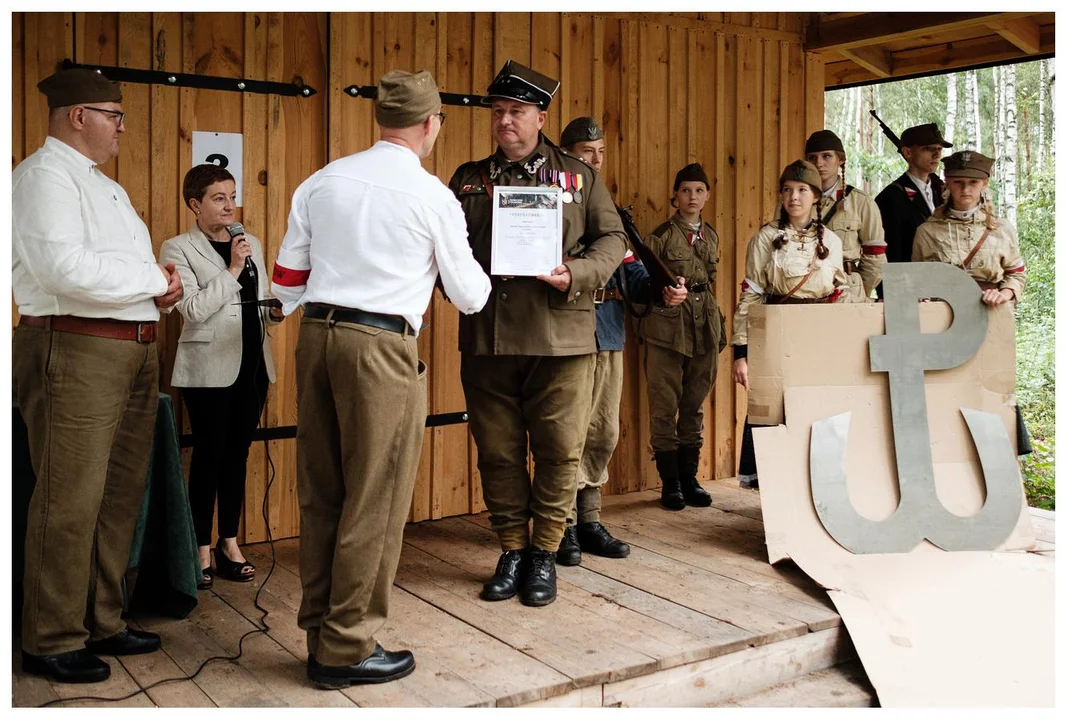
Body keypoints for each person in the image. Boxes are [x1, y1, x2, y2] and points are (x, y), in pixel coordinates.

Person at [271, 70, 490, 689]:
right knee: (376, 498)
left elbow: (286, 284)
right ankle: (346, 646)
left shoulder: (322, 181)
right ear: (430, 125)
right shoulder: (431, 196)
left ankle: (320, 628)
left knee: (324, 492)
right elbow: (472, 296)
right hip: (380, 348)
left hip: (315, 338)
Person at [12, 68, 181, 683]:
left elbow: (122, 271)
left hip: (130, 349)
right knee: (68, 499)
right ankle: (51, 636)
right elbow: (64, 270)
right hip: (74, 349)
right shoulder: (42, 178)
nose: (122, 127)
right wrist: (149, 283)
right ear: (77, 115)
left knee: (116, 497)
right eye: (114, 114)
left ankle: (101, 619)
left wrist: (160, 295)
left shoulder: (101, 187)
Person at [449, 62, 627, 606]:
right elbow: (446, 248)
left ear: (540, 117)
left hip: (562, 341)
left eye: (517, 112)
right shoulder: (467, 179)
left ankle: (545, 553)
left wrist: (578, 273)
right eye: (498, 111)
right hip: (489, 339)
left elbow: (613, 240)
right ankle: (511, 549)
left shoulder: (577, 176)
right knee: (498, 454)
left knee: (558, 452)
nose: (505, 121)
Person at [555, 117, 688, 565]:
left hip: (607, 328)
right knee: (566, 432)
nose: (595, 159)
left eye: (600, 152)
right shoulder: (550, 205)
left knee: (602, 431)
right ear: (565, 155)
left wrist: (660, 287)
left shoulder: (606, 209)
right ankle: (561, 525)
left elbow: (631, 270)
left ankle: (589, 519)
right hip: (564, 332)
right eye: (585, 151)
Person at [160, 164, 284, 591]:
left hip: (253, 364)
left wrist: (277, 309)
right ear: (195, 204)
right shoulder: (177, 248)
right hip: (208, 371)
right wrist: (232, 269)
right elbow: (192, 310)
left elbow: (261, 306)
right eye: (218, 197)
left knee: (238, 454)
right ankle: (199, 548)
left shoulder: (251, 243)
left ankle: (229, 542)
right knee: (209, 455)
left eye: (232, 195)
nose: (230, 205)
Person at [731, 160, 848, 489]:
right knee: (771, 411)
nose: (794, 197)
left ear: (814, 196)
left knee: (815, 410)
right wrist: (742, 353)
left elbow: (841, 293)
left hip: (818, 337)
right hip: (776, 332)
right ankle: (769, 494)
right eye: (787, 189)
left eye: (802, 190)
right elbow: (750, 297)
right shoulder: (764, 239)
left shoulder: (833, 242)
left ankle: (815, 489)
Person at [637, 163, 725, 511]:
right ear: (675, 196)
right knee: (664, 404)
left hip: (704, 324)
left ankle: (690, 479)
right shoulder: (660, 236)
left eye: (699, 190)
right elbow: (646, 283)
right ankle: (670, 483)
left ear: (707, 196)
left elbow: (711, 278)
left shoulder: (711, 234)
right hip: (668, 327)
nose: (692, 197)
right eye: (685, 190)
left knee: (694, 404)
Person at [911, 150, 1026, 304]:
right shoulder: (927, 231)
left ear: (984, 183)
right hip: (942, 315)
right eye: (958, 182)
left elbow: (1016, 274)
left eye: (973, 182)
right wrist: (922, 297)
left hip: (991, 312)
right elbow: (917, 278)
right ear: (947, 182)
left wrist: (1004, 294)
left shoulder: (1002, 229)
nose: (965, 189)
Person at [804, 130, 886, 301]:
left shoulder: (861, 202)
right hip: (804, 289)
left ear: (840, 159)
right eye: (812, 157)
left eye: (826, 156)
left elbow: (876, 256)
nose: (819, 163)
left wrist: (859, 288)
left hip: (847, 290)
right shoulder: (794, 201)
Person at [874, 123, 953, 271]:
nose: (936, 155)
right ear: (908, 153)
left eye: (939, 149)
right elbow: (890, 254)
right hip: (909, 281)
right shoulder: (891, 198)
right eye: (928, 149)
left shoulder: (942, 192)